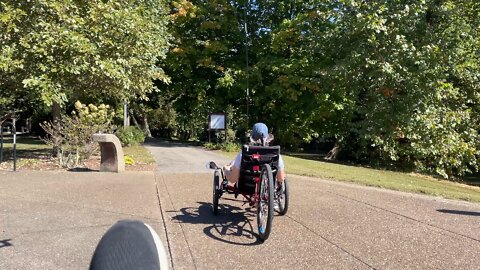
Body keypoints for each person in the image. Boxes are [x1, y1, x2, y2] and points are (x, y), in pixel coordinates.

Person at [223, 122, 286, 190]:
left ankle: (227, 167)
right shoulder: (275, 154)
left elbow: (233, 179)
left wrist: (226, 171)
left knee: (230, 167)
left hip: (246, 186)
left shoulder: (244, 153)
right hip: (267, 189)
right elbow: (281, 178)